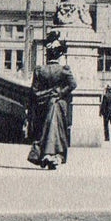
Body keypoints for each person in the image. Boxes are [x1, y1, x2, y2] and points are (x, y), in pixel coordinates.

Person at [27, 31, 77, 170]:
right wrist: (59, 93)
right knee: (58, 130)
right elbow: (73, 85)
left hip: (42, 104)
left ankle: (43, 155)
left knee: (43, 129)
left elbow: (34, 91)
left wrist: (43, 96)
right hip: (58, 103)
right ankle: (55, 155)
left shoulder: (39, 70)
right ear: (59, 55)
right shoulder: (64, 70)